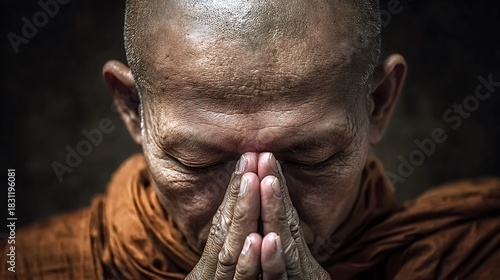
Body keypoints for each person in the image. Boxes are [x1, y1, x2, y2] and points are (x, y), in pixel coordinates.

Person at [2, 0, 499, 279]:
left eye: (310, 155)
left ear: (379, 101)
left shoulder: (476, 258)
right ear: (135, 111)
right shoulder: (27, 268)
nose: (256, 196)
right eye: (197, 160)